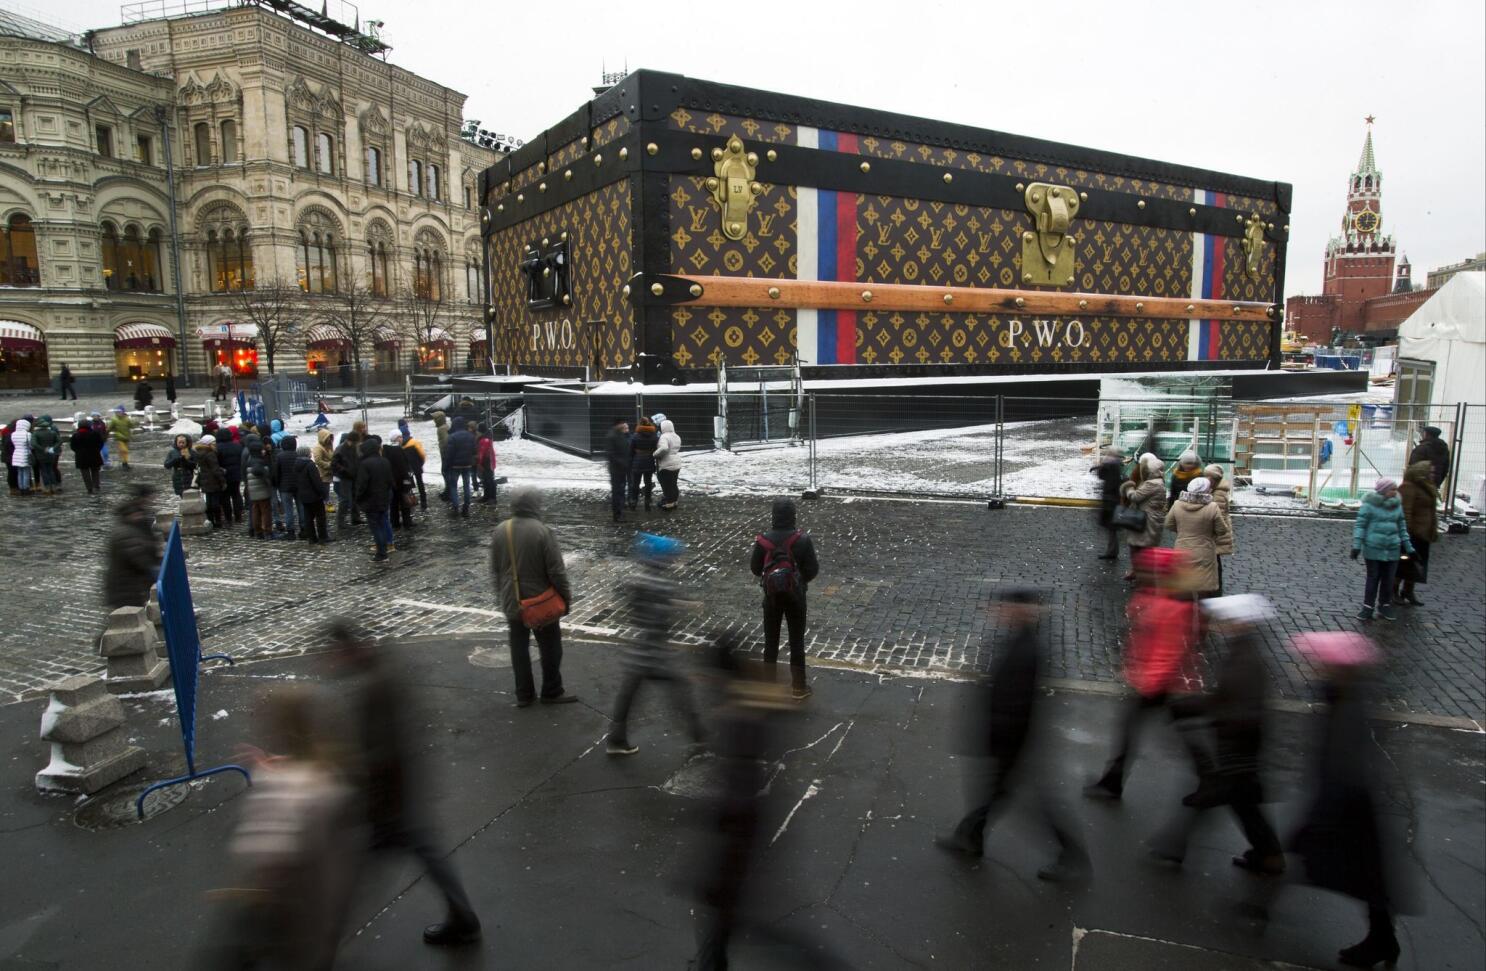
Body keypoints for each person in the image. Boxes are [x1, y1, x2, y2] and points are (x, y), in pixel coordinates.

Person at [323, 621, 482, 946]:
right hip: (399, 795)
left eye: (333, 654)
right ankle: (463, 916)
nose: (331, 663)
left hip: (389, 798)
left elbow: (381, 750)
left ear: (346, 649)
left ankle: (319, 944)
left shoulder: (375, 685)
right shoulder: (381, 671)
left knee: (354, 868)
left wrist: (356, 782)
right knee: (423, 851)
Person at [934, 589, 1090, 882]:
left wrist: (996, 739)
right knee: (995, 793)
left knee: (1029, 801)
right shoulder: (1020, 640)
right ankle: (969, 836)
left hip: (1011, 740)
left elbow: (1015, 702)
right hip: (1008, 738)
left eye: (1005, 607)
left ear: (1021, 610)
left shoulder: (1025, 649)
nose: (999, 612)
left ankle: (1071, 857)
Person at [203, 686, 359, 969]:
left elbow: (258, 852)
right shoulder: (328, 778)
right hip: (318, 916)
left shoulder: (290, 789)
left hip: (289, 920)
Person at [1289, 631, 1409, 969]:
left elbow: (1344, 761)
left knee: (1363, 877)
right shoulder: (1341, 697)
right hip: (1347, 803)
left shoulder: (1348, 704)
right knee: (1365, 878)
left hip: (1348, 806)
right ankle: (1383, 940)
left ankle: (1382, 942)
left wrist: (1326, 809)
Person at [1149, 594, 1284, 875]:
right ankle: (1269, 856)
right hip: (1239, 750)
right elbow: (1226, 698)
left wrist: (1199, 712)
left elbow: (1235, 707)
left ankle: (1172, 848)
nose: (1220, 625)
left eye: (1227, 621)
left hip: (1236, 751)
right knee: (1243, 806)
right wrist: (1190, 706)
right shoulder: (1243, 652)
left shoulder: (1244, 659)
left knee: (1208, 798)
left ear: (1240, 624)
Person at [1084, 547, 1205, 800]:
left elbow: (1167, 651)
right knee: (1184, 732)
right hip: (1160, 682)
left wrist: (1148, 681)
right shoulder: (1161, 597)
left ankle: (1113, 784)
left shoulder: (1169, 605)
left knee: (1136, 730)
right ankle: (1210, 777)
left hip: (1159, 684)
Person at [606, 533, 705, 756]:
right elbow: (665, 604)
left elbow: (631, 599)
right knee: (681, 691)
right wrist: (688, 606)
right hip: (656, 653)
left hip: (637, 650)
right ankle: (699, 738)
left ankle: (616, 739)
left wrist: (684, 605)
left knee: (628, 696)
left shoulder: (637, 580)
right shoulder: (662, 583)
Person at [488, 487, 577, 706]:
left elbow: (495, 569)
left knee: (518, 648)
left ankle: (524, 695)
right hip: (540, 602)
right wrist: (566, 599)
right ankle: (551, 691)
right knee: (550, 648)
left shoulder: (501, 530)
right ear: (535, 505)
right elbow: (556, 571)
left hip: (512, 600)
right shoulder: (542, 531)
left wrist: (502, 595)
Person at [749, 498, 821, 700]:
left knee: (770, 642)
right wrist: (798, 581)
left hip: (771, 598)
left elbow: (755, 569)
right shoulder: (803, 540)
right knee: (796, 641)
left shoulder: (763, 541)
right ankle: (799, 687)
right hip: (796, 597)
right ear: (793, 515)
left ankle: (769, 688)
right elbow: (812, 570)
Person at [1352, 477, 1413, 622]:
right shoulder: (1369, 505)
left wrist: (1409, 547)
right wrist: (1357, 546)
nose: (1395, 492)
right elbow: (1360, 526)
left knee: (1388, 580)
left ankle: (1385, 605)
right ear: (1384, 490)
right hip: (1373, 548)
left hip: (1393, 549)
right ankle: (1368, 607)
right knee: (1373, 579)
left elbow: (1402, 527)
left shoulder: (1397, 506)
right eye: (1392, 489)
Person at [1164, 476, 1228, 598]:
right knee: (1204, 588)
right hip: (1204, 552)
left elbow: (1168, 524)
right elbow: (1222, 530)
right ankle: (1201, 615)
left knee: (1185, 586)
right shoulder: (1212, 507)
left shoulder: (1177, 504)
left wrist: (1182, 531)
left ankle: (1186, 613)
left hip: (1182, 550)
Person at [104, 483, 162, 612]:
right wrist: (155, 567)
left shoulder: (130, 528)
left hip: (129, 584)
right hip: (125, 587)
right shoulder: (125, 533)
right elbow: (139, 558)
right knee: (129, 616)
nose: (140, 516)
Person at [1120, 452, 1168, 581]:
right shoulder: (1159, 481)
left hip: (1145, 520)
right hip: (1149, 518)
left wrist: (1128, 487)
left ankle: (1143, 576)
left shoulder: (1151, 484)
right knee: (1139, 546)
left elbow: (1135, 497)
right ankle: (1139, 572)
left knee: (1141, 548)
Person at [1396, 460, 1438, 607]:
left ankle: (1408, 590)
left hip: (1423, 534)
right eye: (1430, 472)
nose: (1433, 475)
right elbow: (1405, 512)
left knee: (1417, 564)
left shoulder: (1427, 488)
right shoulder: (1408, 487)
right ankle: (1393, 591)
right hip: (1412, 534)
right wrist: (1405, 533)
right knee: (1404, 564)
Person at [354, 436, 394, 561]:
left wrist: (358, 498)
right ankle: (385, 548)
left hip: (370, 500)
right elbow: (390, 481)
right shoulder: (385, 461)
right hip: (383, 498)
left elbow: (362, 484)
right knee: (382, 523)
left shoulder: (365, 464)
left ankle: (381, 553)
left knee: (376, 527)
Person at [1204, 463, 1234, 594]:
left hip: (1217, 534)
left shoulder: (1218, 493)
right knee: (1214, 561)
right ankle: (1214, 588)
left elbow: (1219, 517)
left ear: (1213, 478)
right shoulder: (1215, 489)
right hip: (1215, 532)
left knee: (1215, 561)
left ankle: (1216, 589)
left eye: (1207, 476)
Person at [1091, 447, 1124, 560]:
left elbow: (1108, 481)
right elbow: (1102, 476)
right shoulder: (1113, 465)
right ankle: (1112, 550)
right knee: (1111, 528)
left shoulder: (1113, 466)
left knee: (1111, 527)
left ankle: (1112, 551)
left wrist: (1102, 466)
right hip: (1111, 499)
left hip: (1111, 501)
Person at [295, 443, 330, 544]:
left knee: (308, 517)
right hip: (314, 495)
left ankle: (312, 538)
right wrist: (323, 493)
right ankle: (323, 537)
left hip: (303, 495)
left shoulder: (296, 464)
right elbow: (316, 481)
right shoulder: (310, 465)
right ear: (306, 453)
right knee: (320, 516)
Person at [331, 430, 363, 535]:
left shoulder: (354, 448)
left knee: (355, 497)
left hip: (354, 476)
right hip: (345, 477)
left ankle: (355, 517)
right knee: (345, 500)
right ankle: (341, 522)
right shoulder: (340, 449)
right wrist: (344, 470)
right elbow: (334, 464)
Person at [443, 418, 476, 516]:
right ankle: (466, 506)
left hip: (454, 466)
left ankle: (456, 506)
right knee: (466, 485)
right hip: (467, 464)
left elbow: (449, 454)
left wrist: (446, 466)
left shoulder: (452, 437)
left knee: (453, 486)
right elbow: (474, 450)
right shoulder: (470, 436)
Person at [194, 435, 227, 527]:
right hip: (213, 481)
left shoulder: (199, 453)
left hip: (204, 480)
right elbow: (215, 469)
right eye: (214, 442)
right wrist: (222, 481)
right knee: (215, 502)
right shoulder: (210, 453)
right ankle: (218, 521)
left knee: (208, 501)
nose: (215, 444)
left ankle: (210, 520)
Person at [272, 433, 300, 539]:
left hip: (284, 487)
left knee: (288, 510)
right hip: (298, 485)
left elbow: (277, 473)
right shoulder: (297, 455)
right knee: (300, 507)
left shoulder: (279, 456)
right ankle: (304, 528)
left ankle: (291, 531)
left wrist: (278, 484)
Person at [385, 432, 415, 532]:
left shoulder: (386, 450)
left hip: (392, 480)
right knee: (405, 501)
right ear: (395, 439)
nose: (402, 438)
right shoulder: (398, 450)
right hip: (401, 480)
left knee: (393, 503)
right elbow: (403, 466)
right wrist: (407, 479)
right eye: (399, 437)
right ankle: (407, 522)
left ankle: (395, 523)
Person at [244, 438, 273, 539]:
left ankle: (258, 531)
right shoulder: (259, 462)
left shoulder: (249, 461)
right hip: (262, 490)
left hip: (253, 491)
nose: (263, 451)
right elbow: (258, 471)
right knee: (265, 511)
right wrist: (267, 479)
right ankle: (268, 531)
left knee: (256, 511)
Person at [214, 427, 244, 524]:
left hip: (224, 474)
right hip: (236, 473)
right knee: (236, 494)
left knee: (225, 497)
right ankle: (238, 515)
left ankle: (228, 517)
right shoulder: (237, 446)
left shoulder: (217, 448)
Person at [628, 416, 658, 511]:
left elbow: (631, 450)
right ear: (649, 423)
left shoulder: (635, 436)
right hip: (649, 461)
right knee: (648, 482)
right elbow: (656, 449)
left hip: (637, 462)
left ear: (640, 424)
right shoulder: (654, 436)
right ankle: (647, 501)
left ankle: (634, 501)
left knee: (635, 483)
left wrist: (632, 460)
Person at [69, 418, 105, 495]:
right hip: (94, 456)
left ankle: (89, 488)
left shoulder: (76, 435)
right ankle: (96, 486)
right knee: (95, 471)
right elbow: (101, 443)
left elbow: (72, 446)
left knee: (85, 473)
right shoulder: (95, 434)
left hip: (81, 457)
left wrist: (78, 452)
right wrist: (97, 450)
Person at [604, 416, 630, 522]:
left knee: (621, 491)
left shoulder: (621, 434)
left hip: (622, 469)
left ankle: (620, 512)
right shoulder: (611, 436)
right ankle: (617, 515)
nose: (624, 425)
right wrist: (622, 462)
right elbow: (611, 454)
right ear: (617, 424)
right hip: (616, 470)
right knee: (617, 492)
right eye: (623, 423)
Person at [654, 418, 683, 511]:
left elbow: (664, 448)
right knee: (673, 484)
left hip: (666, 464)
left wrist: (655, 454)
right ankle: (674, 501)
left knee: (666, 485)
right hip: (676, 462)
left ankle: (669, 503)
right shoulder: (677, 436)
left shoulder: (664, 437)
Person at [30, 415, 62, 496]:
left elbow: (33, 444)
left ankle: (47, 487)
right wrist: (52, 448)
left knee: (44, 471)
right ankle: (54, 486)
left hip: (41, 455)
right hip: (51, 454)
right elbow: (59, 441)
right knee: (51, 470)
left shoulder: (36, 433)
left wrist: (42, 449)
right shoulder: (52, 432)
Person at [164, 434, 196, 498]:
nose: (181, 444)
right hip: (178, 478)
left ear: (187, 442)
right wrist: (175, 460)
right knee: (182, 497)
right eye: (179, 442)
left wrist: (186, 461)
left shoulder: (191, 452)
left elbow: (195, 465)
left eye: (183, 442)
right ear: (176, 442)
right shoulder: (172, 452)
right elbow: (167, 465)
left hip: (190, 477)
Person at [402, 429, 428, 511]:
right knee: (420, 483)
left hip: (406, 468)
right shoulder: (415, 442)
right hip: (416, 466)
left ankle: (409, 500)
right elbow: (422, 454)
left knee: (407, 483)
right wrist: (421, 463)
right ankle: (423, 501)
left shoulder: (401, 445)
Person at [475, 423, 499, 506]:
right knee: (486, 480)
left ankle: (492, 498)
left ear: (481, 431)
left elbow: (481, 453)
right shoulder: (486, 438)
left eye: (478, 430)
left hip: (487, 463)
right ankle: (487, 496)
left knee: (489, 480)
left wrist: (479, 463)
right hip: (488, 462)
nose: (477, 432)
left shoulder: (484, 440)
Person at [9, 417, 33, 495]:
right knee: (26, 472)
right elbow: (30, 445)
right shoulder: (27, 434)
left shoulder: (13, 434)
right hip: (25, 454)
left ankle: (21, 488)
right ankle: (26, 488)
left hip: (16, 454)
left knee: (20, 472)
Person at [431, 410, 450, 499]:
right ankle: (448, 490)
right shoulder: (444, 427)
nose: (433, 420)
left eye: (435, 418)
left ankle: (448, 492)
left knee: (445, 472)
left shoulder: (441, 429)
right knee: (445, 472)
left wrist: (444, 451)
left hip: (445, 454)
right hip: (445, 454)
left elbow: (446, 441)